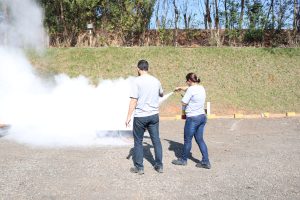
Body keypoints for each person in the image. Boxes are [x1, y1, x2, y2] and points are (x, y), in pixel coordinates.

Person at [125, 60, 164, 175]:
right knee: (156, 140)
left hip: (140, 116)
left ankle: (139, 167)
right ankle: (159, 166)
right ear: (147, 68)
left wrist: (128, 117)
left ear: (138, 69)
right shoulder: (156, 81)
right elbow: (161, 93)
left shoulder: (136, 81)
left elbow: (133, 100)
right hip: (153, 115)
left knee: (138, 141)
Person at [172, 72, 211, 169]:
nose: (186, 83)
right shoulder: (201, 87)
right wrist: (180, 88)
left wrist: (183, 97)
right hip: (202, 117)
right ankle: (206, 162)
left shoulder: (190, 90)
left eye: (187, 81)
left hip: (193, 119)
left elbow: (183, 102)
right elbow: (189, 88)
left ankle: (183, 160)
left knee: (187, 140)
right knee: (200, 140)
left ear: (189, 81)